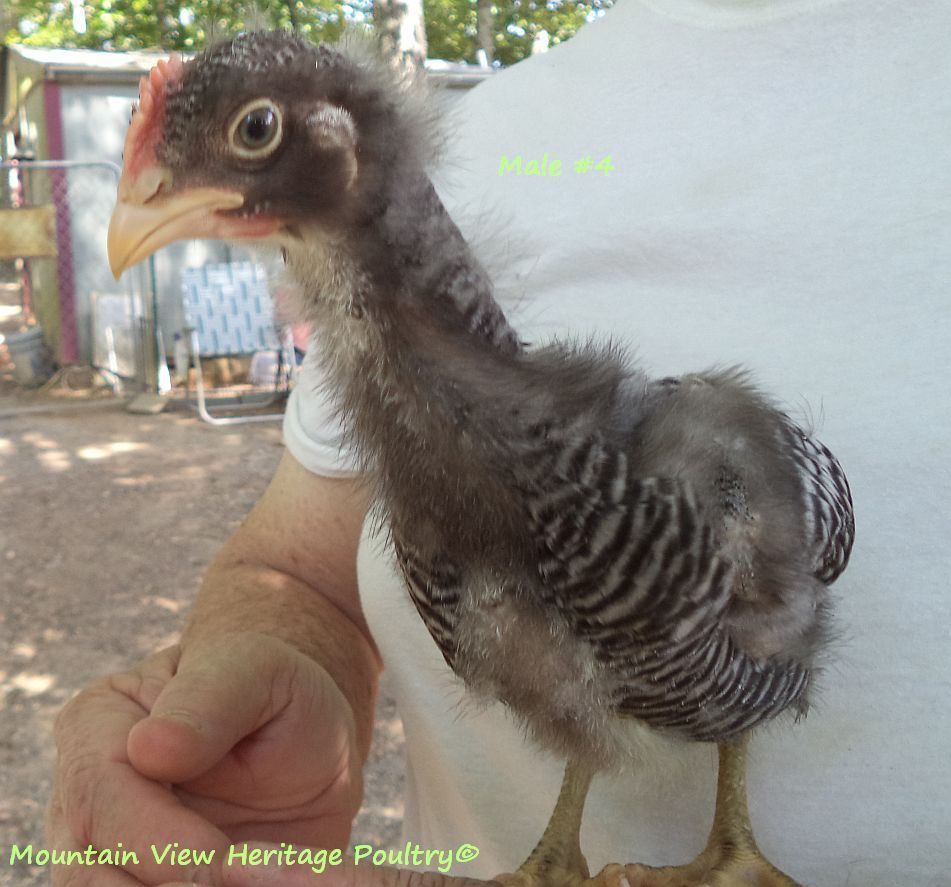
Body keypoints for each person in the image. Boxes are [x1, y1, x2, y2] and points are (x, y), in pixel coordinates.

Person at [49, 1, 951, 885]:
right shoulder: (486, 142)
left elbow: (788, 579)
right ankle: (554, 852)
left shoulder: (706, 457)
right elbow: (298, 574)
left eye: (254, 131)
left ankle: (731, 840)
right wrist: (274, 656)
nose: (150, 196)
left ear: (342, 142)